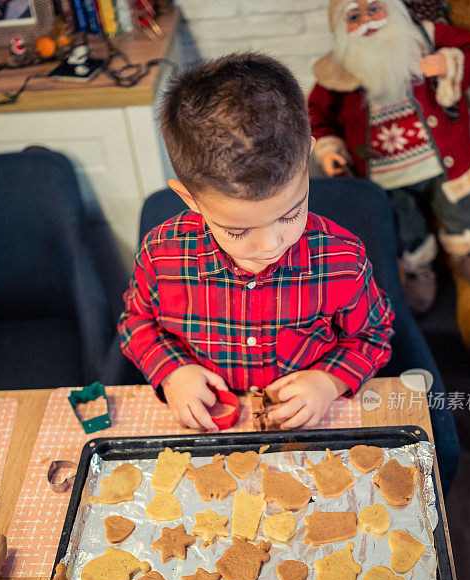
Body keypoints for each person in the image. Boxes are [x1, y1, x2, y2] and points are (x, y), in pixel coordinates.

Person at [118, 53, 394, 432]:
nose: (269, 246)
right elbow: (137, 321)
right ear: (190, 199)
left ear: (306, 157)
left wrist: (328, 382)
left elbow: (373, 334)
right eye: (237, 231)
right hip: (213, 425)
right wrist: (172, 372)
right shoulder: (159, 256)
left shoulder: (343, 260)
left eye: (289, 215)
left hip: (306, 426)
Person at [308, 0, 470, 313]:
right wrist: (329, 147)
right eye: (354, 17)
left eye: (375, 9)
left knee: (461, 207)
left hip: (443, 162)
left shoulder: (425, 37)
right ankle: (416, 269)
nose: (368, 22)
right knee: (404, 225)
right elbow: (317, 112)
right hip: (385, 176)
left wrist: (448, 63)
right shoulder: (339, 69)